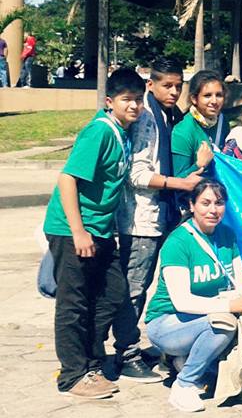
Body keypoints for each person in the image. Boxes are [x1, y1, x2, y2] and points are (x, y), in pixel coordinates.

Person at [43, 68, 145, 399]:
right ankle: (73, 374)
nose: (134, 106)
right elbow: (67, 179)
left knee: (113, 295)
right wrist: (78, 231)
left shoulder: (123, 132)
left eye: (139, 100)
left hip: (101, 231)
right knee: (73, 303)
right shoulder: (99, 132)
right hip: (74, 229)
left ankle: (91, 360)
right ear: (109, 101)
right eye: (127, 100)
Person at [113, 59, 206, 383]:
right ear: (150, 84)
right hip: (140, 220)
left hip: (164, 216)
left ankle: (160, 343)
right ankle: (125, 353)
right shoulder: (146, 117)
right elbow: (135, 174)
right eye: (167, 85)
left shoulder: (169, 116)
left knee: (164, 285)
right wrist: (178, 183)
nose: (174, 91)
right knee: (134, 289)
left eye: (178, 85)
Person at [144, 179, 242, 412]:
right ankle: (184, 384)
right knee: (224, 323)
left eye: (219, 203)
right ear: (192, 205)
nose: (213, 210)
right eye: (205, 203)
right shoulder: (178, 242)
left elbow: (240, 281)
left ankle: (184, 361)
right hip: (166, 323)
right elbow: (182, 301)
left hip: (203, 317)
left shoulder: (226, 235)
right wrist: (233, 305)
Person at [172, 70, 227, 178]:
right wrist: (199, 165)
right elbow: (178, 180)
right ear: (194, 99)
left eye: (219, 95)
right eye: (207, 95)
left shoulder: (222, 121)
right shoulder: (183, 131)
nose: (214, 101)